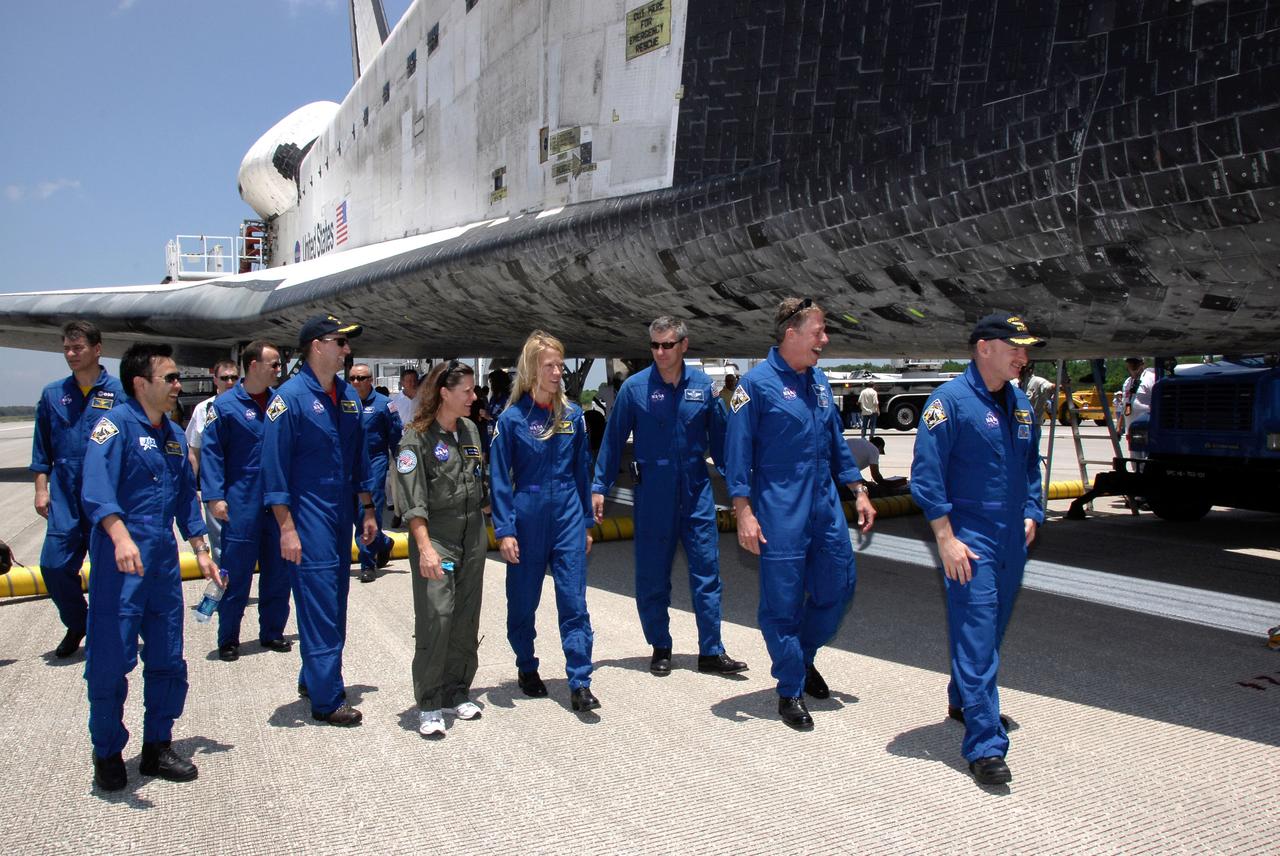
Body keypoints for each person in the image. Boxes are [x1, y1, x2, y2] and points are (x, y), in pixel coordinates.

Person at [724, 298, 876, 730]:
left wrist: (858, 489)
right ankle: (790, 688)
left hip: (824, 504)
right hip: (779, 507)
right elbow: (736, 455)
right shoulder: (754, 387)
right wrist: (743, 511)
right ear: (791, 333)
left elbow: (835, 442)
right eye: (818, 332)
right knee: (783, 605)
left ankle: (803, 655)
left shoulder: (820, 382)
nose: (824, 340)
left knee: (839, 587)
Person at [909, 312, 1047, 787]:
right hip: (971, 538)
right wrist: (945, 539)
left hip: (1012, 536)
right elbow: (926, 477)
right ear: (984, 347)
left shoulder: (1023, 405)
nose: (1023, 358)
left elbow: (1031, 467)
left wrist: (1033, 510)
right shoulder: (948, 402)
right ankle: (985, 745)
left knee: (990, 630)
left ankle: (963, 701)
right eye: (1016, 348)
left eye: (1026, 350)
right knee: (978, 634)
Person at [80, 342, 221, 792]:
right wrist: (121, 538)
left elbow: (186, 503)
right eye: (171, 378)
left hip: (161, 562)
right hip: (119, 562)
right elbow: (97, 490)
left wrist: (202, 553)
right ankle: (107, 752)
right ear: (141, 383)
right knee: (110, 661)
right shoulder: (113, 427)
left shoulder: (176, 437)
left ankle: (158, 745)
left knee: (167, 657)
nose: (180, 385)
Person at [591, 316, 746, 677]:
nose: (660, 352)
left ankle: (711, 650)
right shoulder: (634, 389)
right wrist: (599, 487)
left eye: (668, 345)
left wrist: (742, 492)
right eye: (655, 345)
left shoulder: (705, 388)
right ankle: (660, 647)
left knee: (707, 573)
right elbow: (612, 442)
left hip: (696, 492)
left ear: (684, 345)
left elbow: (723, 446)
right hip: (653, 494)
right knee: (652, 575)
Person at [262, 314, 378, 727]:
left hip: (340, 515)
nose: (346, 350)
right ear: (316, 345)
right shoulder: (288, 399)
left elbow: (358, 457)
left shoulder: (347, 396)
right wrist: (287, 528)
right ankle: (327, 700)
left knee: (333, 602)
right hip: (307, 516)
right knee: (320, 605)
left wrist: (367, 508)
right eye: (339, 343)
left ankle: (314, 676)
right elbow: (273, 472)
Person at [489, 331, 599, 712]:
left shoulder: (574, 417)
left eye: (560, 365)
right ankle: (526, 666)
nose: (557, 372)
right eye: (549, 365)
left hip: (567, 515)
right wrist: (504, 530)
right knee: (522, 603)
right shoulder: (513, 419)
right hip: (527, 517)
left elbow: (583, 472)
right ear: (531, 369)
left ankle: (580, 679)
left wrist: (586, 521)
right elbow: (499, 479)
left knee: (574, 601)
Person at [395, 361, 488, 738]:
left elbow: (479, 481)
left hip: (473, 535)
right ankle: (430, 702)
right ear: (445, 393)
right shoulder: (415, 438)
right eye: (466, 390)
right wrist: (425, 549)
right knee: (438, 616)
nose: (474, 396)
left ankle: (456, 690)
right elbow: (412, 502)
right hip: (436, 538)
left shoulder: (469, 430)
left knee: (466, 616)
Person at [30, 320, 126, 658]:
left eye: (78, 348)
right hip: (65, 493)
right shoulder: (53, 394)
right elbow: (42, 448)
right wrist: (41, 489)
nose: (71, 354)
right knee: (53, 566)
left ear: (97, 349)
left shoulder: (120, 393)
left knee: (108, 570)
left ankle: (106, 630)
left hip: (107, 492)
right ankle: (78, 621)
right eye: (67, 348)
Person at [199, 341, 293, 662]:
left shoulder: (281, 404)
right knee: (236, 574)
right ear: (253, 365)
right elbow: (211, 454)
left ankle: (272, 632)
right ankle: (229, 638)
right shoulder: (225, 407)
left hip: (278, 502)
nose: (278, 370)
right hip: (241, 503)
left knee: (278, 573)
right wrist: (214, 497)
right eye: (274, 364)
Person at [348, 363, 401, 582]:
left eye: (361, 378)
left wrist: (400, 463)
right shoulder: (343, 402)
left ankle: (367, 563)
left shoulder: (384, 405)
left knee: (366, 512)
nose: (356, 382)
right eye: (352, 378)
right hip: (349, 465)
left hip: (374, 464)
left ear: (371, 380)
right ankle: (384, 542)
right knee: (352, 515)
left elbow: (396, 436)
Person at [185, 359, 240, 564]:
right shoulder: (203, 409)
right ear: (215, 379)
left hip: (243, 486)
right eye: (225, 378)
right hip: (216, 487)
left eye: (234, 378)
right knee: (220, 548)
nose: (230, 382)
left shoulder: (249, 406)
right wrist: (191, 488)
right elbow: (194, 451)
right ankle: (223, 592)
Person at [1122, 357, 1156, 457]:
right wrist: (1119, 427)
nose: (1132, 365)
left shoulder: (1151, 378)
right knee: (1135, 459)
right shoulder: (1128, 382)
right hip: (1131, 429)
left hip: (1146, 428)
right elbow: (1124, 404)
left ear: (1142, 363)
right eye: (1130, 362)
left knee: (1147, 458)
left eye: (1135, 362)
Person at [480, 368, 511, 460]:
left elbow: (507, 422)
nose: (491, 385)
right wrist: (485, 450)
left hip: (503, 443)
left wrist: (490, 417)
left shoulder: (508, 400)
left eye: (492, 382)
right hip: (491, 441)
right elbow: (488, 424)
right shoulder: (493, 399)